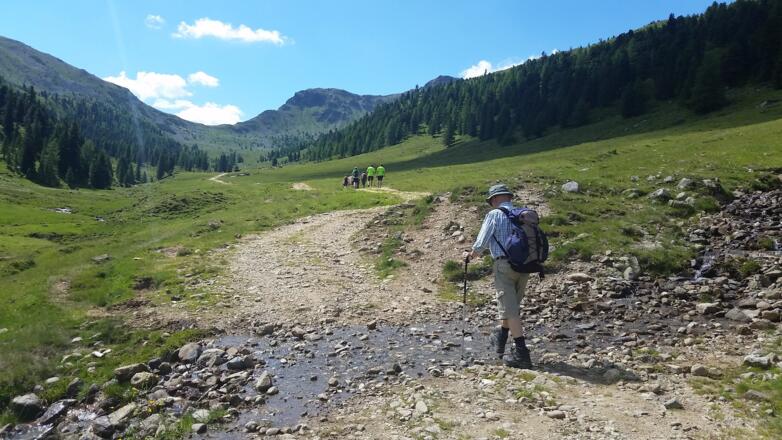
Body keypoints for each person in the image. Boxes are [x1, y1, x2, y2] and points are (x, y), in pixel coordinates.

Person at [463, 184, 532, 369]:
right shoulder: (522, 214)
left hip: (504, 265)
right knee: (511, 306)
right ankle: (500, 338)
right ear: (509, 197)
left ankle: (522, 355)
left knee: (510, 311)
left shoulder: (494, 214)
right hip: (526, 266)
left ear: (494, 199)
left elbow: (482, 242)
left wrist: (470, 255)